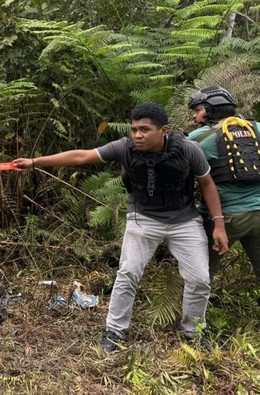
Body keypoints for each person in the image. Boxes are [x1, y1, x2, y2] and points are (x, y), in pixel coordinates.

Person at [12, 102, 229, 353]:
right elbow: (83, 156)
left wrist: (218, 225)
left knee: (200, 279)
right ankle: (114, 330)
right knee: (128, 273)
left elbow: (207, 184)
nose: (137, 135)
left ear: (164, 130)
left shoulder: (188, 149)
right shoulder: (124, 148)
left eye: (145, 130)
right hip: (143, 218)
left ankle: (194, 332)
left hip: (184, 220)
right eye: (134, 129)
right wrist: (35, 162)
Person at [187, 86, 260, 280]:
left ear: (210, 109)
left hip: (224, 218)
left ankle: (194, 311)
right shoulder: (257, 128)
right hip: (259, 211)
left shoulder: (199, 138)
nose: (195, 116)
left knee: (202, 276)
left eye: (197, 110)